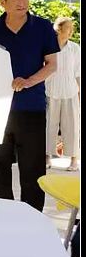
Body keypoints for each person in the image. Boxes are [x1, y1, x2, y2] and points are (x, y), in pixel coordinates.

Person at [0, 0, 59, 211]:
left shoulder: (42, 27)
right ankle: (4, 213)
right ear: (2, 2)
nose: (22, 2)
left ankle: (32, 216)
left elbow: (52, 64)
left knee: (32, 167)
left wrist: (29, 81)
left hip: (31, 107)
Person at [46, 16, 80, 171]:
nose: (71, 31)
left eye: (72, 28)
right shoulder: (48, 47)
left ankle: (73, 160)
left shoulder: (75, 48)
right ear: (59, 30)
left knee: (72, 126)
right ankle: (47, 157)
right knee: (49, 126)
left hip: (70, 91)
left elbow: (78, 72)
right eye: (68, 28)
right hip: (50, 91)